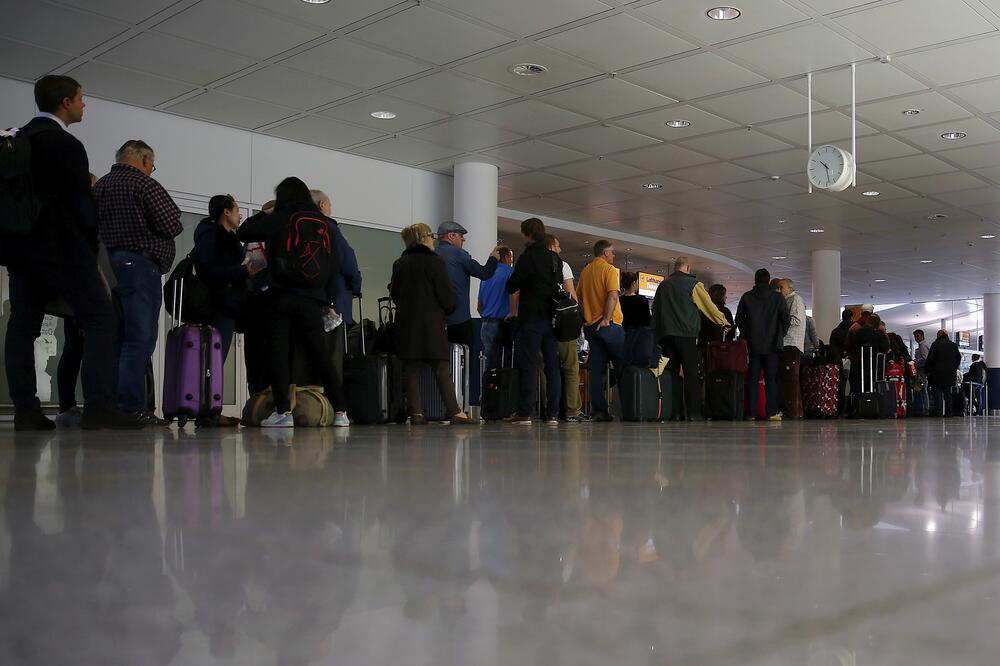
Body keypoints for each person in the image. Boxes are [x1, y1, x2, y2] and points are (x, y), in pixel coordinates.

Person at [1, 76, 143, 430]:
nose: (85, 104)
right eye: (81, 98)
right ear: (65, 102)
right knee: (101, 319)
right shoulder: (64, 144)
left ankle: (26, 410)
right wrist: (89, 243)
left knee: (23, 327)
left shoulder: (17, 139)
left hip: (21, 249)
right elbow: (81, 204)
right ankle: (99, 406)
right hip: (63, 247)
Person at [237, 177, 349, 428]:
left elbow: (244, 232)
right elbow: (333, 265)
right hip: (312, 298)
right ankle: (341, 411)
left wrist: (265, 213)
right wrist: (328, 299)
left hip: (281, 295)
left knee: (279, 353)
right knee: (321, 355)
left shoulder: (282, 217)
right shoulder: (324, 223)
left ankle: (283, 413)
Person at [95, 139, 182, 426]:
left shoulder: (102, 186)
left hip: (107, 267)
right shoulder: (144, 185)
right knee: (140, 338)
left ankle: (109, 406)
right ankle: (131, 407)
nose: (151, 170)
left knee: (117, 338)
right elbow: (172, 224)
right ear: (143, 159)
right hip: (139, 266)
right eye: (152, 164)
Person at [390, 223, 476, 425]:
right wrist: (448, 309)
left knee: (411, 369)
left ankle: (417, 414)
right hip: (432, 323)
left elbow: (395, 294)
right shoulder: (435, 263)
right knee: (441, 368)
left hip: (407, 323)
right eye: (431, 236)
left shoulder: (399, 263)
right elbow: (447, 296)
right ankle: (455, 412)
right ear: (424, 238)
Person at [651, 257, 727, 421]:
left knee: (672, 374)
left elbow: (655, 310)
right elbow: (708, 306)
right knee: (691, 374)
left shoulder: (663, 285)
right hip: (686, 335)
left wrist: (656, 334)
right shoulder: (693, 284)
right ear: (688, 268)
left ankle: (675, 412)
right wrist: (723, 321)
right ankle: (693, 413)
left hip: (666, 336)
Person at [503, 218, 562, 425]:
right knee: (552, 366)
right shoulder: (555, 259)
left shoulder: (527, 258)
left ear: (527, 234)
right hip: (552, 319)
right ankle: (553, 413)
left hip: (531, 319)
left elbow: (512, 286)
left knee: (529, 365)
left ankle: (525, 411)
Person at [311, 189, 362, 380]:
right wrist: (355, 287)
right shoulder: (330, 229)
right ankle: (333, 404)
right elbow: (348, 263)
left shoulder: (299, 229)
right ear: (322, 205)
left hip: (308, 303)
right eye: (329, 204)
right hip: (335, 303)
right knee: (333, 355)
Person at [577, 239, 626, 422]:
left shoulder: (585, 271)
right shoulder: (609, 270)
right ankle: (629, 407)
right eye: (612, 252)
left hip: (591, 328)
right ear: (605, 253)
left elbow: (579, 299)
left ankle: (599, 410)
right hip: (609, 326)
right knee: (622, 366)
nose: (614, 255)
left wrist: (588, 320)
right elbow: (613, 296)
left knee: (596, 370)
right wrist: (606, 319)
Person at [735, 269, 790, 421]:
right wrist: (780, 335)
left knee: (753, 378)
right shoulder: (778, 298)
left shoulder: (747, 297)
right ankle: (772, 412)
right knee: (771, 379)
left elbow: (739, 319)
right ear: (768, 280)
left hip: (753, 345)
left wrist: (746, 333)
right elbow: (786, 319)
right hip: (773, 345)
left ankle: (752, 412)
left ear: (755, 280)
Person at [435, 221, 500, 348]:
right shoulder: (459, 254)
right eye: (460, 235)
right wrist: (493, 258)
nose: (463, 239)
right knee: (463, 358)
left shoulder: (433, 254)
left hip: (437, 320)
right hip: (459, 318)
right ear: (451, 235)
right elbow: (484, 273)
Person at [547, 234, 585, 422]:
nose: (560, 249)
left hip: (542, 323)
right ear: (552, 247)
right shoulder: (563, 265)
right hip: (563, 324)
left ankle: (548, 408)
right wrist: (578, 322)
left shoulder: (532, 263)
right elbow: (571, 294)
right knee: (570, 367)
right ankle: (572, 410)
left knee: (546, 367)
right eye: (559, 246)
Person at [477, 246, 514, 371]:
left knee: (490, 365)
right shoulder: (510, 273)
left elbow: (479, 307)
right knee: (507, 363)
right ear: (506, 257)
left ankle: (488, 388)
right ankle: (504, 390)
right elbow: (513, 296)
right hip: (503, 323)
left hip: (486, 324)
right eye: (510, 257)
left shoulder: (486, 276)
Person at [777, 278, 806, 419]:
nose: (779, 290)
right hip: (788, 344)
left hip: (791, 343)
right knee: (788, 379)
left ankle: (792, 411)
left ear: (790, 288)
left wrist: (779, 324)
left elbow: (796, 320)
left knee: (790, 379)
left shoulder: (795, 300)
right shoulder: (787, 300)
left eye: (781, 287)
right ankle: (794, 410)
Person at [847, 313, 890, 396]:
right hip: (875, 366)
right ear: (877, 324)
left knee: (859, 386)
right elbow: (885, 348)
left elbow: (850, 346)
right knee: (873, 387)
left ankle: (859, 405)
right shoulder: (878, 333)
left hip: (860, 366)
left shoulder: (858, 332)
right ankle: (873, 404)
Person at [924, 329, 962, 417]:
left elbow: (930, 359)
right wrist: (953, 368)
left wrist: (927, 370)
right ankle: (949, 413)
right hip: (950, 374)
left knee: (937, 394)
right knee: (948, 394)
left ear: (938, 335)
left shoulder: (935, 344)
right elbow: (958, 358)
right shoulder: (953, 345)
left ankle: (938, 413)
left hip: (937, 374)